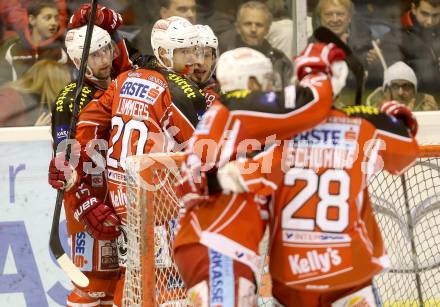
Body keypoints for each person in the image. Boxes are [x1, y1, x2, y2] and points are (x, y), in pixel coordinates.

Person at [173, 43, 349, 306]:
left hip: (217, 244)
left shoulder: (229, 116)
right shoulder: (241, 107)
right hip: (217, 245)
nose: (271, 88)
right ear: (251, 81)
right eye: (266, 80)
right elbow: (311, 103)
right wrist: (318, 71)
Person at [49, 16, 208, 307]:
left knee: (131, 279)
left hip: (121, 199)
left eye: (196, 51)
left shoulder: (125, 79)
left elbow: (88, 122)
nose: (194, 60)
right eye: (186, 52)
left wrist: (68, 156)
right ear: (164, 53)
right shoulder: (180, 92)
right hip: (158, 205)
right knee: (164, 286)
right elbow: (205, 154)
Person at [213, 102, 418, 307]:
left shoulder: (282, 144)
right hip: (348, 272)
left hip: (295, 277)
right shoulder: (360, 134)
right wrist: (398, 125)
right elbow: (404, 159)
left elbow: (232, 178)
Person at [47, 5, 132, 306]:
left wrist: (111, 29)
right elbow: (63, 162)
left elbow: (129, 63)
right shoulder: (71, 98)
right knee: (91, 286)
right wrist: (84, 202)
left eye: (106, 50)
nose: (105, 59)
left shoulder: (118, 84)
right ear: (77, 60)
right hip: (86, 199)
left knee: (115, 284)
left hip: (113, 194)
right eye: (95, 55)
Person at [218, 1, 293, 88]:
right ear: (238, 27)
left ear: (267, 30)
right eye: (248, 24)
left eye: (259, 25)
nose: (253, 29)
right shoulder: (222, 56)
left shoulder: (279, 61)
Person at [379, 0, 440, 93]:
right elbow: (397, 81)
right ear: (414, 9)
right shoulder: (394, 37)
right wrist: (435, 67)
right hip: (417, 100)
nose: (429, 21)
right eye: (425, 14)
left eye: (436, 15)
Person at [0, 1, 68, 83]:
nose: (54, 23)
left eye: (56, 18)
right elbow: (3, 81)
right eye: (48, 18)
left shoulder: (61, 53)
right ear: (32, 20)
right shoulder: (12, 48)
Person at [0, 59, 71, 127]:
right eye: (65, 84)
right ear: (54, 84)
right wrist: (34, 131)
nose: (68, 88)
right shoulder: (9, 98)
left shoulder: (39, 103)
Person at [132, 0, 197, 56]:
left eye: (194, 9)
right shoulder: (149, 39)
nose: (191, 14)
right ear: (164, 13)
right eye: (182, 9)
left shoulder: (199, 37)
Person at [367, 61, 438, 111]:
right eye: (394, 87)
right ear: (385, 91)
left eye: (406, 86)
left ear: (414, 92)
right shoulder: (373, 113)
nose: (400, 93)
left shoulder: (426, 108)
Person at [189, 24, 220, 108]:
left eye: (206, 56)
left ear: (213, 59)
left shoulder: (223, 93)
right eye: (196, 55)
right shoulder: (170, 89)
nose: (201, 62)